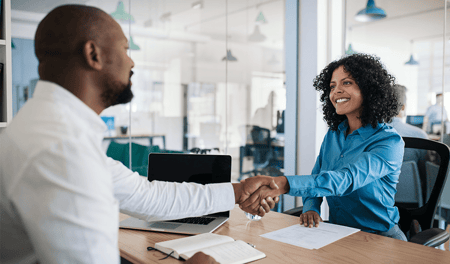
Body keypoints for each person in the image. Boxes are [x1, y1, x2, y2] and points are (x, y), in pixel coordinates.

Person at [0, 5, 279, 264]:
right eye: (125, 49)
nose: (132, 62)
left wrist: (239, 190)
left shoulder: (46, 129)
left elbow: (148, 196)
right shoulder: (61, 149)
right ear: (93, 55)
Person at [241, 54, 408, 241]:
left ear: (369, 88)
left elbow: (345, 179)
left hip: (380, 238)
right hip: (338, 234)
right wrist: (311, 207)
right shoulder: (334, 134)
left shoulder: (389, 142)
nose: (336, 91)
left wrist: (282, 184)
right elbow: (318, 175)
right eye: (332, 86)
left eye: (347, 83)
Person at [390, 84, 428, 162]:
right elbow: (424, 168)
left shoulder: (370, 133)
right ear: (403, 107)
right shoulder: (420, 135)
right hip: (411, 174)